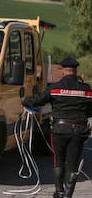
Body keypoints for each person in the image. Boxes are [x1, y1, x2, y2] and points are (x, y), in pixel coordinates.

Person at [22, 58, 92, 198]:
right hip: (78, 131)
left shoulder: (55, 88)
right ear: (75, 70)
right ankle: (67, 195)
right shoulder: (86, 90)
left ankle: (59, 191)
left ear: (63, 70)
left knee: (58, 160)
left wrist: (25, 101)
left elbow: (38, 100)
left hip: (59, 130)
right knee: (73, 165)